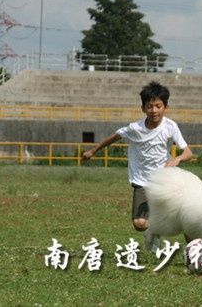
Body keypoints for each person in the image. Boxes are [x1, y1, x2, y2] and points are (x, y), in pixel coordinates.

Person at [82, 81, 193, 250]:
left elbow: (188, 153)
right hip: (143, 181)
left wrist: (176, 159)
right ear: (143, 108)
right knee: (139, 223)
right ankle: (153, 233)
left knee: (183, 214)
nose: (154, 110)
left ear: (165, 107)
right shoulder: (135, 128)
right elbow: (114, 136)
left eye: (158, 106)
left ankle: (196, 248)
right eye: (149, 106)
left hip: (166, 180)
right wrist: (93, 151)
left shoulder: (170, 126)